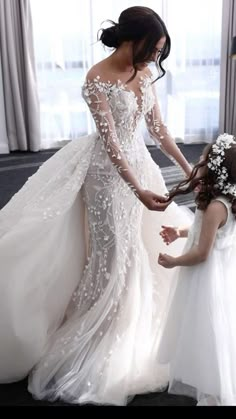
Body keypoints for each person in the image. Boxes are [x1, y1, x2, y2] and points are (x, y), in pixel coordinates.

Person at [0, 6, 192, 405]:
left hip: (142, 166)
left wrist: (187, 167)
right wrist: (136, 188)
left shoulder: (145, 74)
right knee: (114, 257)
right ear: (132, 38)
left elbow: (157, 130)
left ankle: (136, 329)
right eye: (153, 49)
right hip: (106, 177)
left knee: (146, 249)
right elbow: (112, 145)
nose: (156, 59)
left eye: (159, 52)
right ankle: (98, 342)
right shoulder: (96, 79)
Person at [158, 133, 236, 406]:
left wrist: (174, 261)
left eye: (201, 161)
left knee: (208, 329)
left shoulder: (216, 207)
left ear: (213, 170)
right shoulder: (221, 201)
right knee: (203, 327)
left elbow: (203, 252)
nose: (197, 163)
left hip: (205, 277)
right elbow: (203, 232)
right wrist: (179, 232)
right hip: (210, 276)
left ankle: (215, 389)